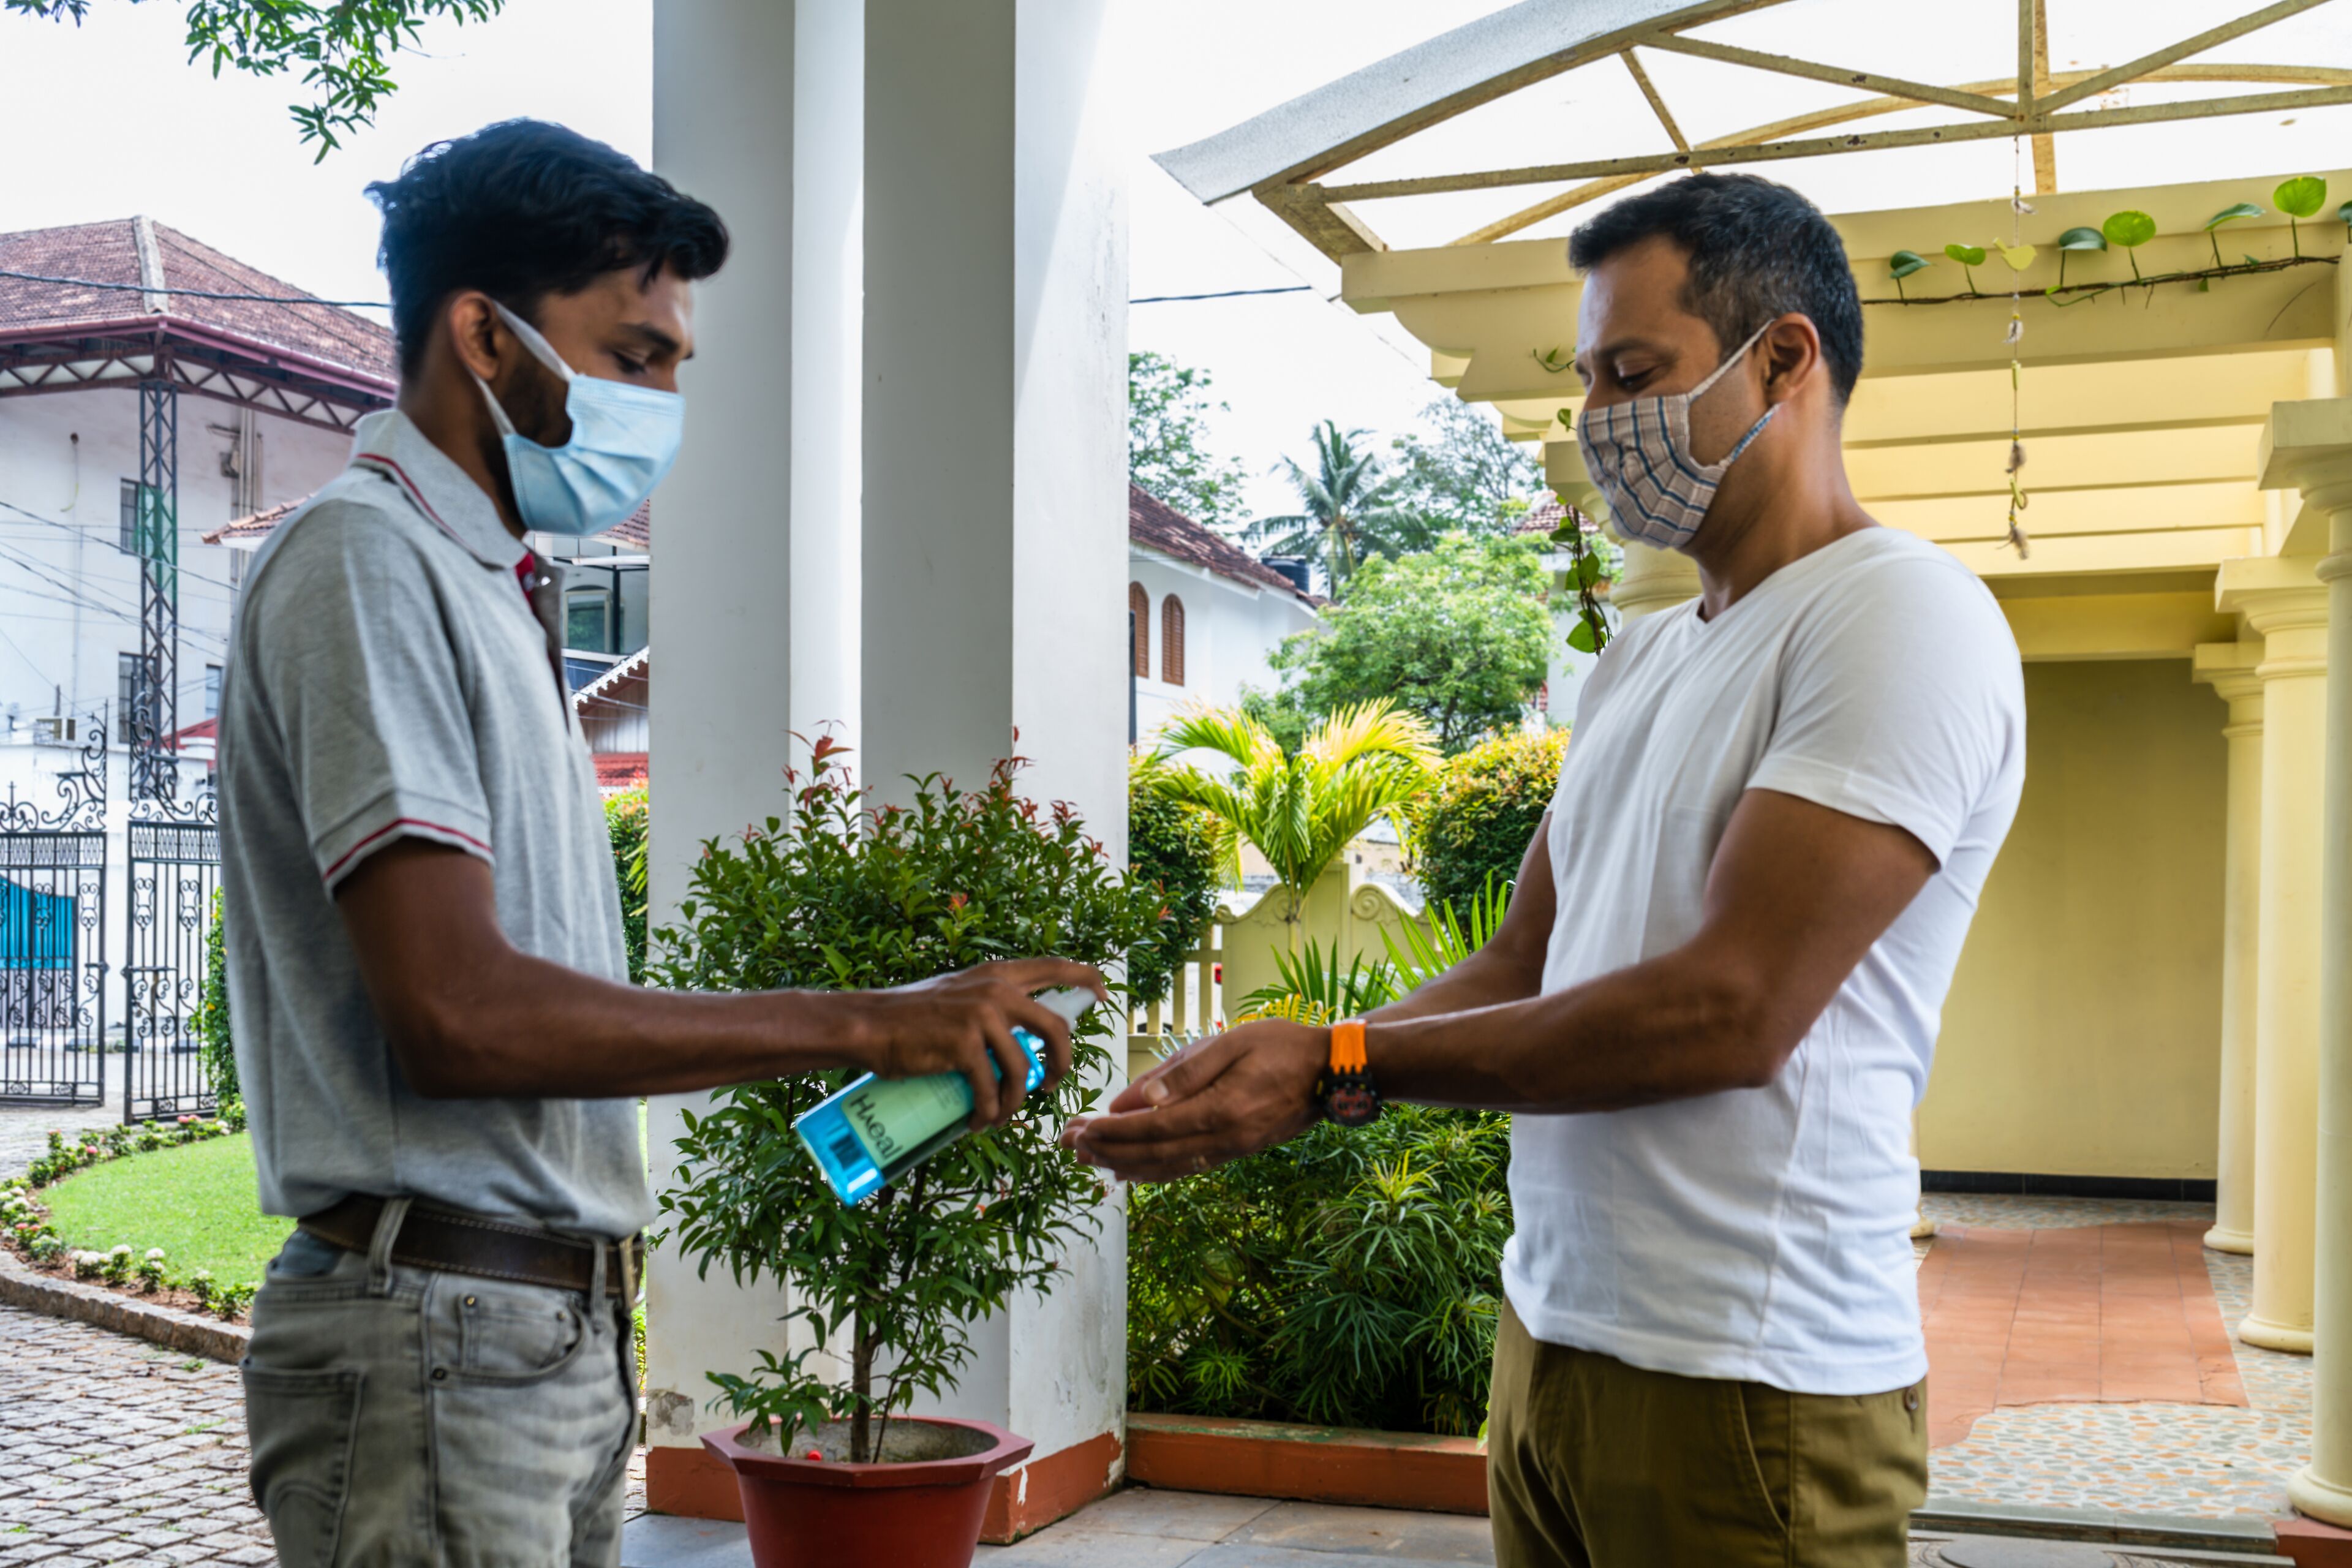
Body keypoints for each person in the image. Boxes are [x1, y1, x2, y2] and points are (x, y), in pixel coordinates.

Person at [1066, 172, 2026, 1567]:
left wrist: (1338, 1066)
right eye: (1586, 381)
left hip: (1752, 1382)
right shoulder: (1645, 655)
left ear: (1784, 359)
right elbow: (1527, 958)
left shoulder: (1899, 615)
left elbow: (1731, 1008)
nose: (1597, 422)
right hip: (1556, 1340)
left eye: (1634, 375)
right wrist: (1282, 1070)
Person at [217, 119, 1099, 1568]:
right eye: (634, 356)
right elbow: (458, 1015)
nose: (663, 402)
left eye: (675, 362)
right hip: (438, 1327)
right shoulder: (366, 560)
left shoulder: (492, 585)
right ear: (483, 337)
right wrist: (869, 1020)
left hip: (531, 1332)